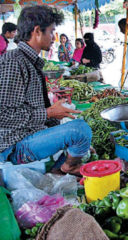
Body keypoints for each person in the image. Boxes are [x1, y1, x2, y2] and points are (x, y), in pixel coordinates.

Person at [0, 5, 91, 176]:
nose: (54, 38)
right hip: (14, 145)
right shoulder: (14, 62)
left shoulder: (29, 61)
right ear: (37, 31)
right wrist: (48, 113)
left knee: (77, 132)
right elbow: (2, 115)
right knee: (80, 130)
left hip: (29, 133)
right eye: (51, 32)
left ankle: (61, 166)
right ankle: (67, 167)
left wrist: (54, 119)